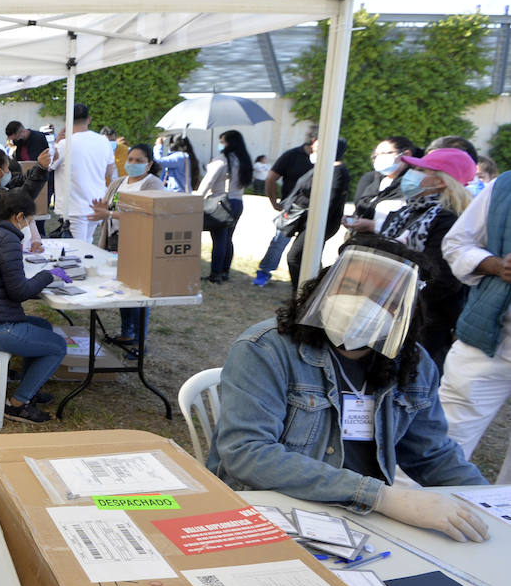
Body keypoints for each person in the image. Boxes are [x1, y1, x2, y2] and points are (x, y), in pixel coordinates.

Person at [208, 235, 489, 540]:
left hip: (360, 517)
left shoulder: (413, 364)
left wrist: (490, 504)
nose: (361, 304)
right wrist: (381, 497)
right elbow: (247, 453)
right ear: (326, 286)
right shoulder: (266, 348)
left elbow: (432, 454)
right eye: (351, 287)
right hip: (273, 509)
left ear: (403, 311)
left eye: (382, 297)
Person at [0, 190, 68, 424]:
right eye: (28, 221)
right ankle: (17, 404)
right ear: (18, 216)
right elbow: (20, 292)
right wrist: (48, 275)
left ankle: (30, 387)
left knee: (43, 326)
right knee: (58, 346)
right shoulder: (7, 240)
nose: (28, 226)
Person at [437, 168, 511, 485]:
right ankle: (418, 504)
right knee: (445, 435)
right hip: (489, 335)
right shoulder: (504, 186)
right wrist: (496, 265)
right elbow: (456, 244)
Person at [370, 148, 474, 369]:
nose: (411, 174)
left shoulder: (448, 219)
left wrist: (400, 304)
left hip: (424, 320)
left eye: (420, 170)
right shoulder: (407, 211)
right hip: (386, 308)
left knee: (410, 375)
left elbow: (443, 280)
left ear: (441, 181)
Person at [89, 143, 165, 357]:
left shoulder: (153, 184)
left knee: (139, 292)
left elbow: (148, 213)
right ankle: (126, 333)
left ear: (149, 164)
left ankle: (140, 342)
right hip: (115, 241)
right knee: (123, 288)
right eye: (130, 159)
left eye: (139, 161)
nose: (132, 164)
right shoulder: (118, 182)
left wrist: (108, 214)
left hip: (139, 243)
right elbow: (107, 207)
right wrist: (101, 210)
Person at [281, 138, 351, 292]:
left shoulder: (337, 171)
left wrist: (313, 222)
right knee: (309, 259)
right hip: (308, 221)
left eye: (319, 146)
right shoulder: (323, 167)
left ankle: (302, 294)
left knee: (295, 257)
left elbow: (330, 202)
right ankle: (308, 293)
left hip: (319, 223)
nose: (313, 148)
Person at [251, 128, 316, 286]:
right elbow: (271, 178)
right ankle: (264, 273)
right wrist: (274, 202)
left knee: (310, 248)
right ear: (314, 141)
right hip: (291, 209)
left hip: (314, 211)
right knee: (279, 242)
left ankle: (307, 279)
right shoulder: (292, 155)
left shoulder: (327, 159)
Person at [50, 103, 116, 243]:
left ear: (67, 121)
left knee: (77, 247)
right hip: (96, 202)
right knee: (87, 243)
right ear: (89, 119)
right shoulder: (104, 141)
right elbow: (109, 172)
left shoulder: (64, 144)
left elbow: (49, 165)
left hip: (73, 206)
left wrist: (57, 143)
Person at [197, 129, 251, 283]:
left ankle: (216, 273)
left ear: (229, 143)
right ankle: (225, 271)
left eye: (222, 142)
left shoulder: (222, 160)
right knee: (228, 239)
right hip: (238, 202)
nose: (220, 145)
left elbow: (208, 182)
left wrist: (197, 199)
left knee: (219, 239)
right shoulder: (243, 159)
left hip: (222, 202)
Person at [349, 135, 419, 234]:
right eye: (376, 155)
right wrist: (352, 221)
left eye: (385, 153)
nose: (379, 158)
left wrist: (372, 225)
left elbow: (410, 223)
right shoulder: (376, 181)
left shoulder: (413, 185)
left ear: (406, 155)